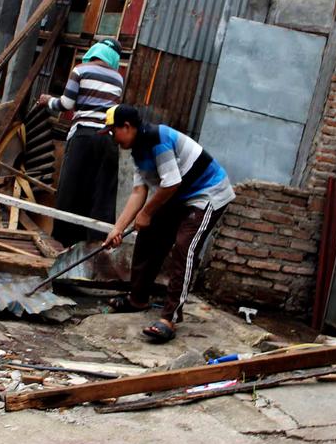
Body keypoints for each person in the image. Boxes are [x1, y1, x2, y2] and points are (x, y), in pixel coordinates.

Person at [99, 105, 235, 343]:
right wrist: (118, 229)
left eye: (113, 131)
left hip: (207, 194)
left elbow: (171, 184)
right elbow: (138, 192)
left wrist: (146, 213)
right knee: (148, 236)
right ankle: (137, 299)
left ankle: (169, 318)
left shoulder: (157, 139)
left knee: (184, 247)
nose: (113, 138)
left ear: (127, 127)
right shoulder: (137, 151)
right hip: (179, 195)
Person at [36, 38, 124, 246]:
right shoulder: (118, 78)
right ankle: (96, 244)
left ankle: (64, 242)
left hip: (83, 137)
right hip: (107, 140)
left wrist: (48, 101)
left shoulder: (80, 70)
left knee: (72, 190)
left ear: (94, 52)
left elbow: (66, 104)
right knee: (101, 193)